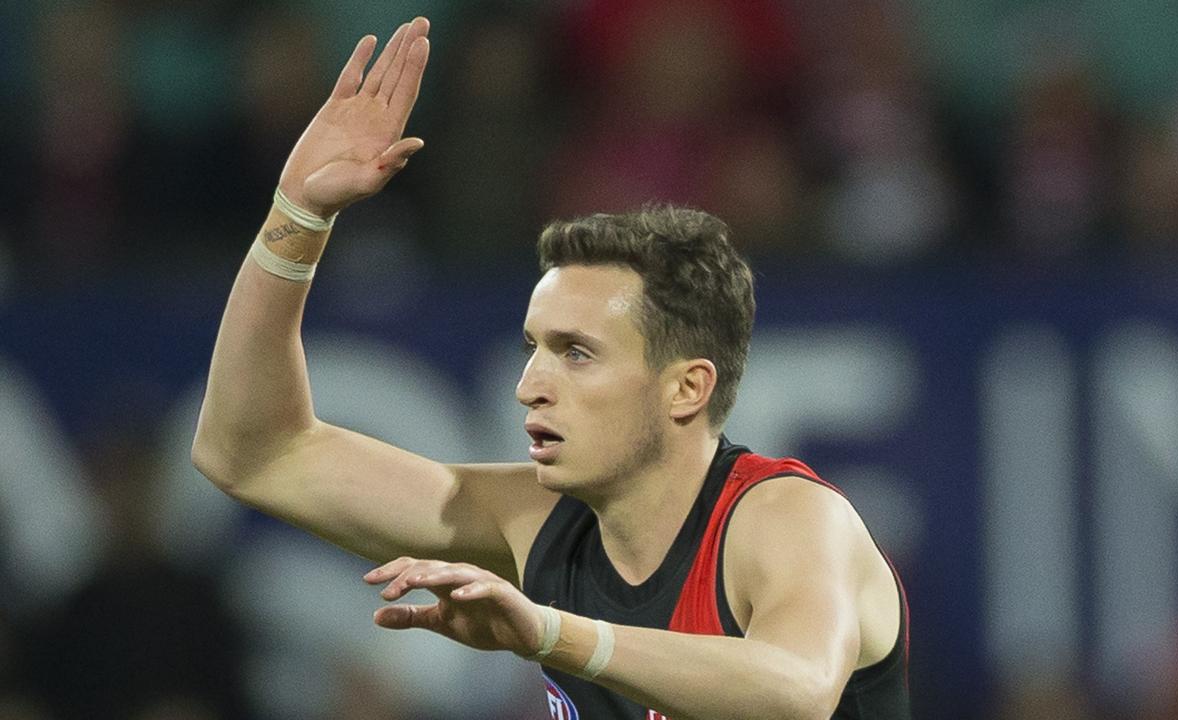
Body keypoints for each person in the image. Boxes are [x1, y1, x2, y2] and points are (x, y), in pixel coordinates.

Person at [192, 16, 910, 720]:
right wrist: (297, 215)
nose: (529, 385)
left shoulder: (787, 519)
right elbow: (255, 454)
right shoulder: (540, 524)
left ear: (687, 388)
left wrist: (553, 635)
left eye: (576, 353)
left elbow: (797, 690)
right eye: (534, 347)